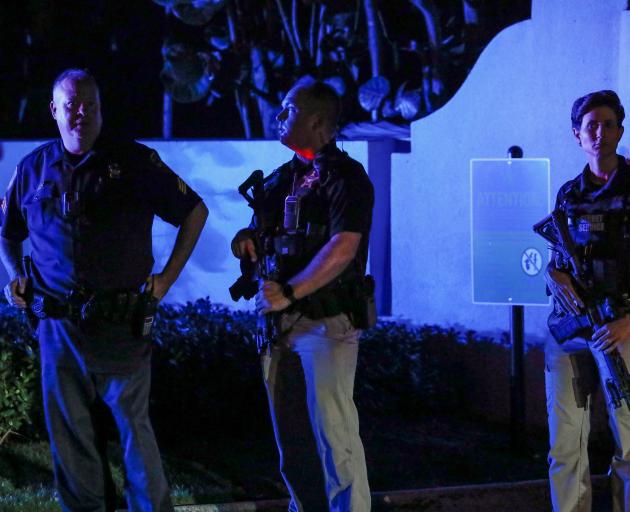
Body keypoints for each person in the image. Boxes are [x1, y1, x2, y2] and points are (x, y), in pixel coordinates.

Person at [0, 68, 208, 511]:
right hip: (56, 327)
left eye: (90, 104)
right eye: (72, 104)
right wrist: (15, 275)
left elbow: (194, 212)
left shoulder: (134, 162)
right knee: (70, 438)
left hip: (121, 326)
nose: (81, 113)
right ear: (54, 110)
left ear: (101, 109)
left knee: (134, 432)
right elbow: (7, 231)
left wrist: (167, 279)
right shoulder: (33, 168)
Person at [231, 77, 373, 511]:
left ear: (316, 121)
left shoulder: (346, 177)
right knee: (292, 445)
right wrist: (244, 241)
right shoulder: (281, 179)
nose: (279, 115)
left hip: (325, 323)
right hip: (278, 327)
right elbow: (261, 235)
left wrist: (289, 291)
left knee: (336, 439)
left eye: (287, 109)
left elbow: (343, 247)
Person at [544, 89, 630, 512]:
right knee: (564, 444)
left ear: (620, 130)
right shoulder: (568, 194)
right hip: (572, 331)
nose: (600, 133)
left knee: (629, 443)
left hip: (621, 329)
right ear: (577, 135)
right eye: (591, 125)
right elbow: (555, 258)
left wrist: (628, 324)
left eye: (608, 124)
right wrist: (556, 275)